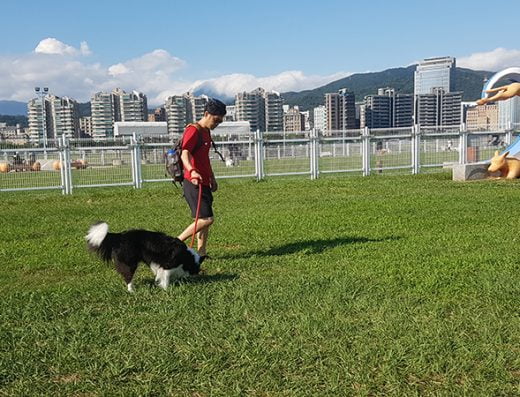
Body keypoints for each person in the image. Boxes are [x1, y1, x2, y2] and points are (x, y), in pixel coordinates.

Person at [177, 98, 226, 257]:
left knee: (204, 221)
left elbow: (204, 159)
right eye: (216, 120)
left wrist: (212, 177)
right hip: (193, 182)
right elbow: (185, 154)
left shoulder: (206, 132)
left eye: (220, 121)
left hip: (204, 181)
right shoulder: (193, 130)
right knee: (207, 219)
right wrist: (192, 171)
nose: (217, 123)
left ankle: (201, 253)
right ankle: (176, 242)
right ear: (206, 114)